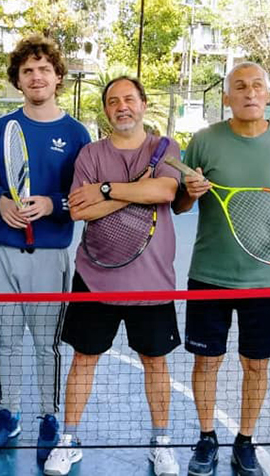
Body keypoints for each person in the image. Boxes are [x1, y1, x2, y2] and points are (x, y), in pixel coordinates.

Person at [173, 62, 270, 476]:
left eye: (257, 86)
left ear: (268, 94)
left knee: (257, 365)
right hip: (209, 274)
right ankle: (206, 437)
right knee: (206, 362)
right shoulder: (203, 141)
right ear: (226, 97)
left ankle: (245, 440)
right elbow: (181, 204)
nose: (250, 93)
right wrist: (190, 193)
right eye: (241, 87)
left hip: (266, 277)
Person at [43, 76, 182, 476]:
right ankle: (68, 440)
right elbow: (79, 210)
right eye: (113, 101)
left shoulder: (165, 148)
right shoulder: (89, 153)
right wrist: (136, 190)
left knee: (155, 362)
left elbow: (165, 192)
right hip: (95, 278)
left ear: (143, 104)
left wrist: (104, 190)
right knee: (84, 358)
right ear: (106, 110)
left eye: (129, 99)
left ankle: (161, 442)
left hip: (152, 281)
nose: (122, 106)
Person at [0, 35, 90, 463]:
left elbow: (82, 198)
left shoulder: (77, 133)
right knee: (6, 341)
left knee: (47, 345)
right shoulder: (1, 129)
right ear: (18, 80)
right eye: (28, 70)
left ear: (58, 77)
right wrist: (0, 202)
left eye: (44, 69)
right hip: (0, 252)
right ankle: (9, 414)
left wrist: (52, 204)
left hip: (49, 255)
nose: (36, 76)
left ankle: (49, 416)